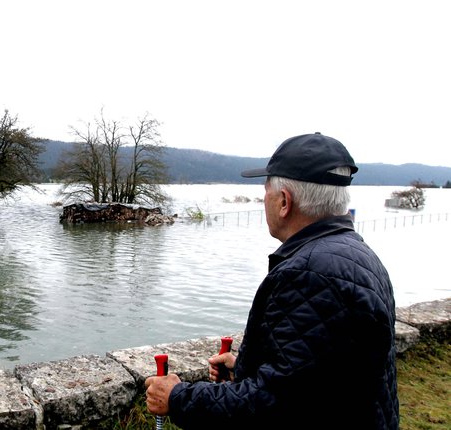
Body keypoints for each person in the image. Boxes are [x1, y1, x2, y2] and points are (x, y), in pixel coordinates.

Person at [145, 132, 399, 429]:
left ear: (283, 202)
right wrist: (246, 368)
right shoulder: (357, 254)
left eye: (265, 191)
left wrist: (177, 397)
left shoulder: (309, 273)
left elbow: (274, 405)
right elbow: (318, 376)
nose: (263, 200)